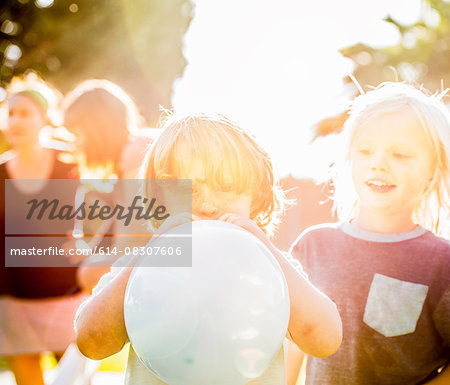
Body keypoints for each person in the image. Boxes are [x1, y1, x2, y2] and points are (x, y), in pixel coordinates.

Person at [74, 112, 343, 384]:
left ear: (257, 196)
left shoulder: (271, 270)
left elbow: (325, 341)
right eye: (189, 190)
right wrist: (147, 258)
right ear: (160, 199)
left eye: (226, 187)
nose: (208, 206)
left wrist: (268, 251)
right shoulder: (144, 267)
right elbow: (92, 343)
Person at [290, 82, 450, 384]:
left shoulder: (443, 263)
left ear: (433, 170)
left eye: (401, 154)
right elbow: (290, 347)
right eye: (365, 151)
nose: (378, 164)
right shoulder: (312, 246)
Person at [0, 73, 84, 385]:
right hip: (15, 305)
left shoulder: (71, 165)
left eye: (25, 113)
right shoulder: (0, 173)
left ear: (44, 118)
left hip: (68, 301)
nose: (15, 120)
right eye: (10, 113)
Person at [62, 79, 153, 292]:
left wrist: (87, 267)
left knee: (87, 275)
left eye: (78, 134)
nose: (76, 145)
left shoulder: (137, 153)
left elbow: (128, 253)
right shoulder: (128, 163)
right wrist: (89, 254)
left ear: (97, 128)